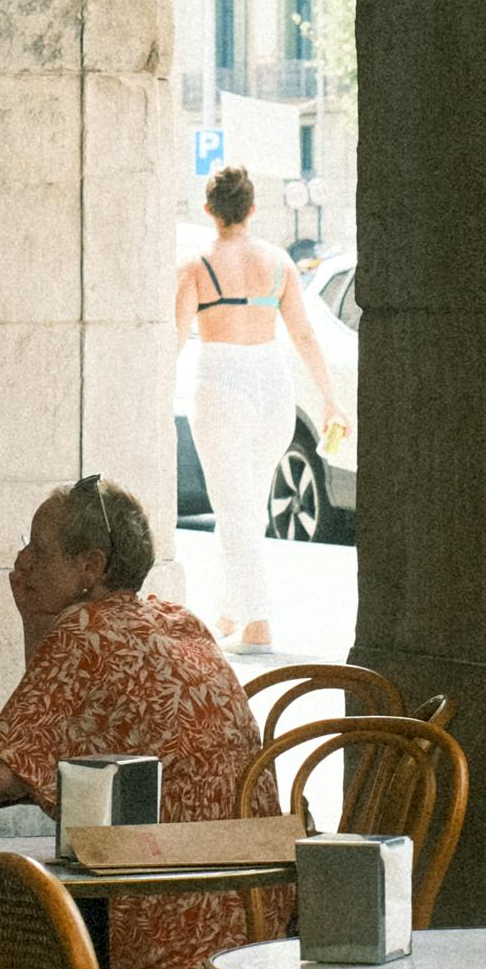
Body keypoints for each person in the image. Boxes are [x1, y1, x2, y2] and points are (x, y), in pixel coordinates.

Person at [0, 471, 283, 969]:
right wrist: (37, 618)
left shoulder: (84, 632)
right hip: (256, 915)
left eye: (39, 550)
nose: (23, 563)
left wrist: (42, 623)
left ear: (90, 566)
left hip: (164, 916)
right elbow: (50, 733)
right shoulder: (181, 620)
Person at [174, 165, 339, 649]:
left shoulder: (194, 265)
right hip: (273, 384)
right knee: (247, 505)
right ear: (252, 208)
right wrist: (330, 400)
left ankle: (258, 621)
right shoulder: (280, 262)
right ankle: (229, 612)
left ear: (209, 210)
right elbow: (304, 334)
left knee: (235, 507)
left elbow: (176, 338)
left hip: (221, 381)